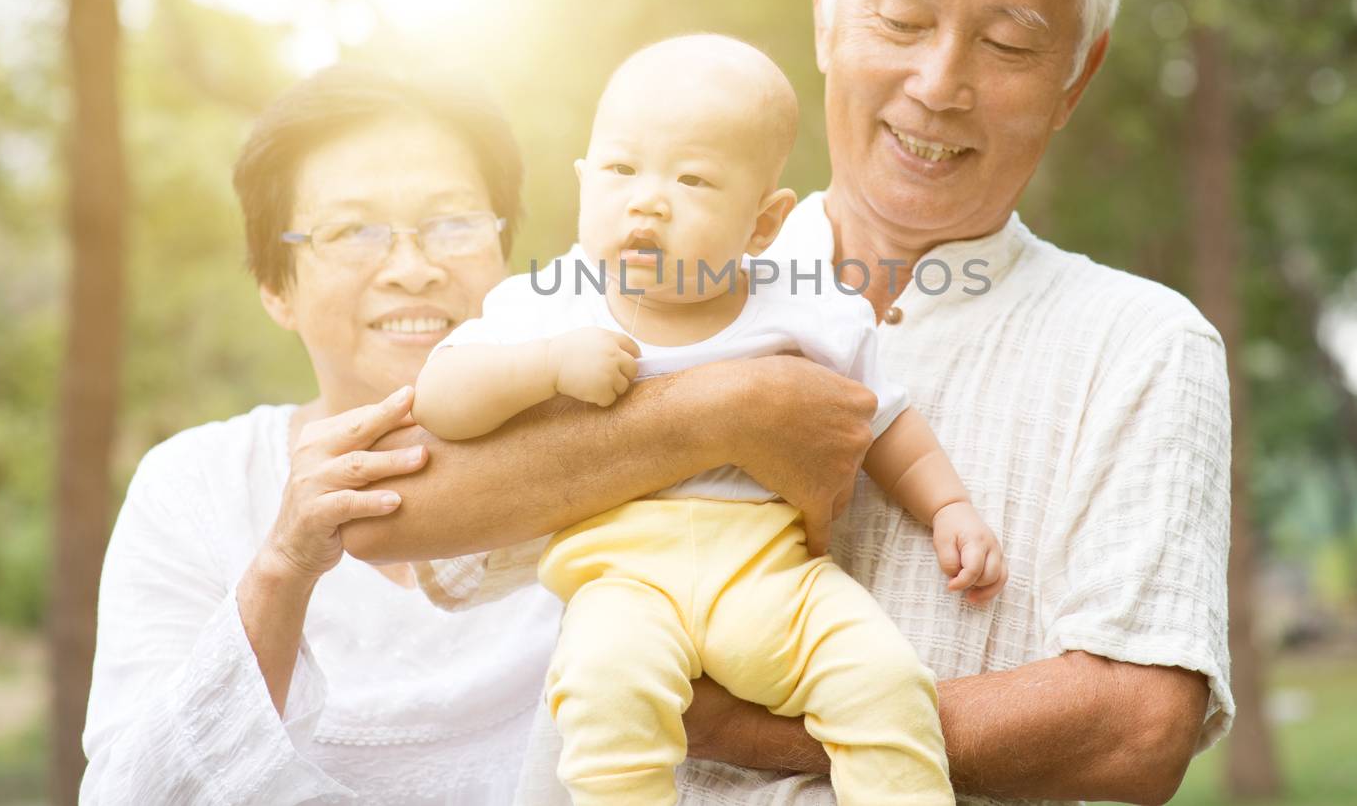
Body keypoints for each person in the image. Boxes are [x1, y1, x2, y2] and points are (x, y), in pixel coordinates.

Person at [347, 0, 1233, 806]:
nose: (940, 82)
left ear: (1075, 78)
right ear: (824, 14)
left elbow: (1137, 730)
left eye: (1008, 44)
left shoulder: (1140, 344)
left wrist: (767, 730)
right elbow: (398, 517)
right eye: (901, 16)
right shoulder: (631, 284)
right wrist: (720, 410)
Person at [81, 65, 880, 804]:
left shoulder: (634, 429)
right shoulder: (197, 483)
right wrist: (285, 566)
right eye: (353, 232)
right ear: (273, 287)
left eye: (452, 223)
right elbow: (131, 791)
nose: (413, 268)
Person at [410, 34, 1005, 804]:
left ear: (763, 224)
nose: (647, 199)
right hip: (618, 577)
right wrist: (547, 365)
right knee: (603, 693)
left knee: (884, 681)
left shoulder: (804, 303)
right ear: (586, 183)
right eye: (621, 170)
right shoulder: (556, 299)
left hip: (771, 575)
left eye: (692, 179)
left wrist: (948, 507)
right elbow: (441, 397)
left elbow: (882, 420)